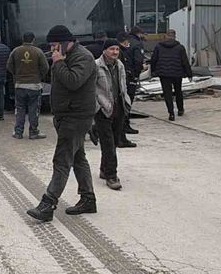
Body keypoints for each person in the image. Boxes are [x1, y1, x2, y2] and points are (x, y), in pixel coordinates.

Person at [27, 25, 97, 222]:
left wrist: (58, 63)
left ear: (67, 42)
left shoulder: (82, 57)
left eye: (55, 45)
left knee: (62, 159)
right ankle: (88, 199)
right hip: (66, 114)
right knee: (78, 158)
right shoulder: (66, 56)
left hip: (76, 116)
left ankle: (48, 204)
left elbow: (73, 81)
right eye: (51, 45)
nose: (53, 49)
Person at [94, 39, 133, 191]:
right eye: (112, 49)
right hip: (103, 110)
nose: (115, 52)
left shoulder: (120, 65)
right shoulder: (96, 66)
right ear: (104, 50)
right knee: (108, 143)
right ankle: (112, 176)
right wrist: (97, 107)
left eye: (117, 49)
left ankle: (104, 169)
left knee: (114, 142)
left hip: (119, 109)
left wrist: (126, 102)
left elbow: (122, 86)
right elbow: (90, 89)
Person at [6, 31, 50, 139]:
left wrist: (16, 74)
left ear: (22, 39)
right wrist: (39, 76)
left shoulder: (15, 51)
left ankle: (18, 132)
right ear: (33, 40)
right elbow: (46, 67)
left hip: (19, 85)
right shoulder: (38, 52)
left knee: (20, 109)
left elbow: (9, 66)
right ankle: (33, 132)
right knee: (33, 109)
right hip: (34, 85)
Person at [150, 29, 192, 121]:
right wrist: (189, 74)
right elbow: (185, 61)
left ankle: (171, 113)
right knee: (178, 91)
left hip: (164, 74)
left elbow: (153, 60)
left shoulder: (159, 47)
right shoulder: (180, 47)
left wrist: (153, 72)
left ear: (166, 36)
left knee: (167, 93)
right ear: (174, 36)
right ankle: (180, 110)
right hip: (177, 73)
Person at [117, 31, 140, 139]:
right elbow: (137, 61)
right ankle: (124, 127)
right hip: (126, 80)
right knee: (126, 103)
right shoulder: (123, 50)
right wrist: (135, 75)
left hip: (122, 80)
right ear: (126, 40)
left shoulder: (114, 49)